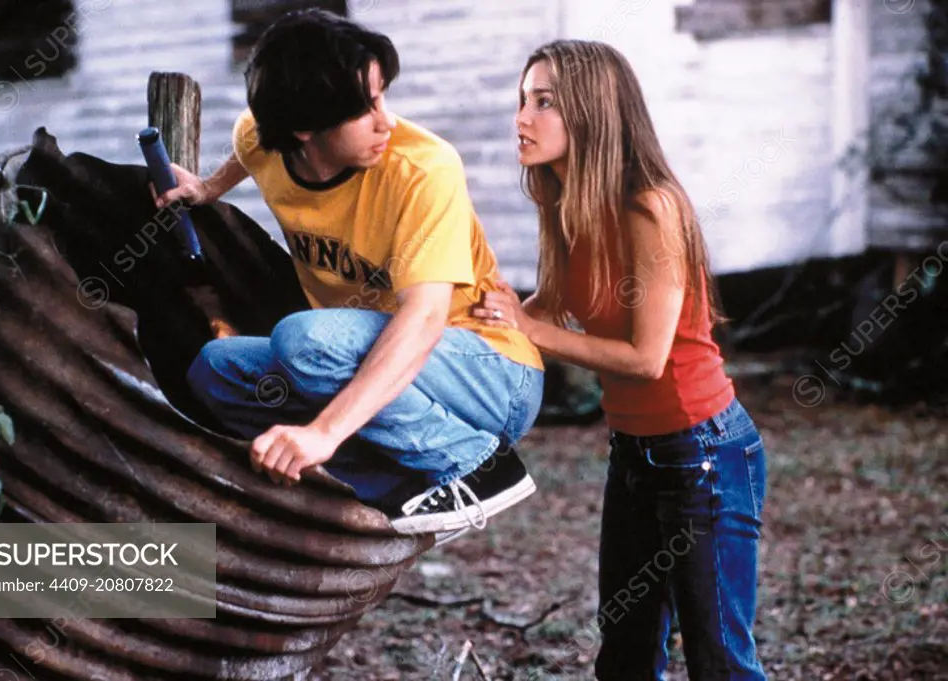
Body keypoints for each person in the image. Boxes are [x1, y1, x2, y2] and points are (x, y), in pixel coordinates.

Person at [151, 9, 545, 536]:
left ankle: (476, 466)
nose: (387, 121)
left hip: (488, 372)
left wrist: (323, 432)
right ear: (303, 129)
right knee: (215, 370)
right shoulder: (261, 137)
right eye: (364, 109)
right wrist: (207, 189)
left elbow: (424, 321)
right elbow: (249, 152)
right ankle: (393, 489)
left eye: (382, 97)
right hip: (372, 368)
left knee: (304, 340)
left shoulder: (423, 169)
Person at [471, 40, 767, 679]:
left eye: (543, 103)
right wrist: (468, 326)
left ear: (592, 111)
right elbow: (547, 305)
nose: (522, 117)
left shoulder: (651, 207)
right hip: (633, 451)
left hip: (704, 453)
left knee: (719, 665)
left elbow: (646, 358)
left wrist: (526, 327)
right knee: (627, 657)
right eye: (522, 100)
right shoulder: (563, 197)